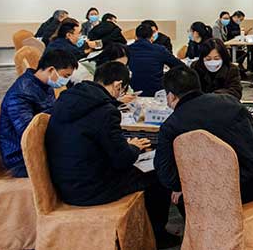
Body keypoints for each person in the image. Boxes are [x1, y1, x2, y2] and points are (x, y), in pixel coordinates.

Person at [45, 62, 178, 248]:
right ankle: (157, 235)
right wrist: (134, 148)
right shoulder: (106, 112)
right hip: (92, 189)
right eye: (123, 89)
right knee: (157, 175)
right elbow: (122, 160)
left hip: (63, 183)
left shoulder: (67, 100)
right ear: (118, 85)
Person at [154, 66, 253, 205]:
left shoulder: (171, 125)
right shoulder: (230, 101)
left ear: (171, 96)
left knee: (180, 195)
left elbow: (166, 174)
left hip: (221, 194)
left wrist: (181, 186)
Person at [0, 49, 77, 177]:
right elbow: (29, 133)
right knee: (80, 163)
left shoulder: (44, 85)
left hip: (40, 148)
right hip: (21, 159)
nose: (66, 81)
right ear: (51, 70)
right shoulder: (21, 93)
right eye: (65, 76)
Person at [129, 23, 184, 96]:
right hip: (156, 90)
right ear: (152, 36)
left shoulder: (128, 49)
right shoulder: (159, 49)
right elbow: (179, 65)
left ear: (136, 36)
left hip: (134, 90)